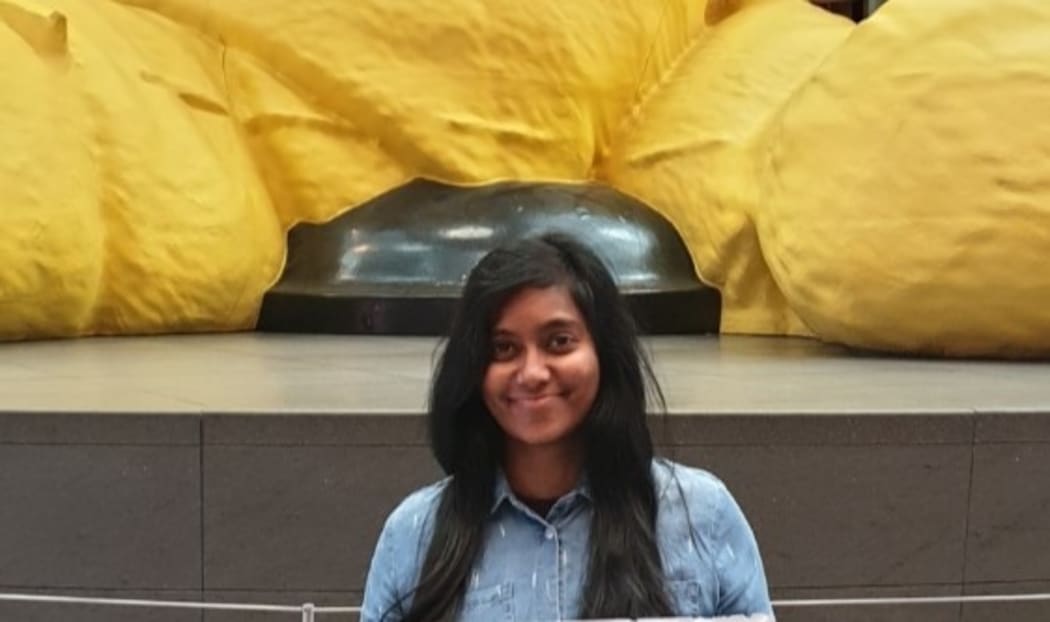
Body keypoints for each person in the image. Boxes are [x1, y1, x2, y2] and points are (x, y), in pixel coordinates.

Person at [361, 233, 771, 621]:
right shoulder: (414, 534)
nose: (532, 373)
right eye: (504, 348)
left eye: (559, 341)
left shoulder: (701, 515)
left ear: (603, 352)